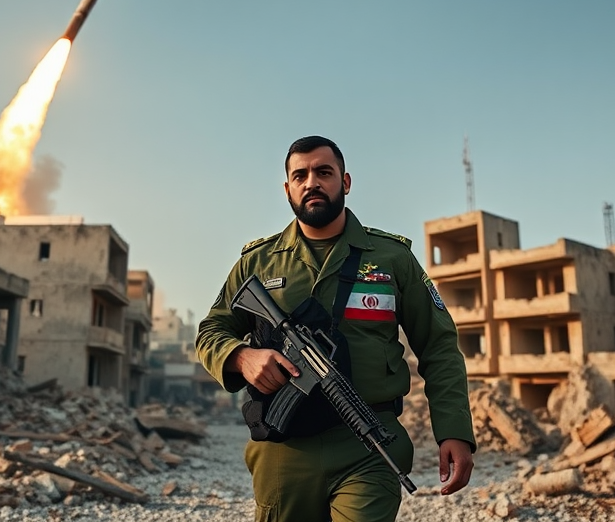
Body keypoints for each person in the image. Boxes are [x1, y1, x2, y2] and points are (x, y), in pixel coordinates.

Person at [195, 136, 476, 522]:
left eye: (323, 172)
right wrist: (242, 357)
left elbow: (439, 347)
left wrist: (454, 431)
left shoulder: (393, 258)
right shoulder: (257, 262)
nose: (312, 182)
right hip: (284, 449)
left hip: (368, 442)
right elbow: (212, 330)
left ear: (345, 182)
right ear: (288, 189)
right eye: (300, 175)